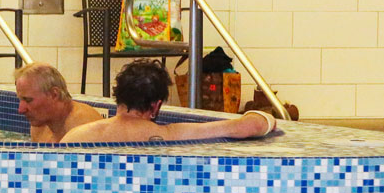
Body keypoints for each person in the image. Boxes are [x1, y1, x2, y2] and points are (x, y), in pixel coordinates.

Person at [61, 60, 276, 144]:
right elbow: (253, 125)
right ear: (156, 105)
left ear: (118, 97)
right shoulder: (169, 135)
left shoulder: (76, 136)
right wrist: (269, 116)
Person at [14, 62, 103, 143]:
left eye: (28, 100)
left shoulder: (85, 128)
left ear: (54, 94)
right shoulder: (39, 126)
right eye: (20, 99)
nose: (21, 110)